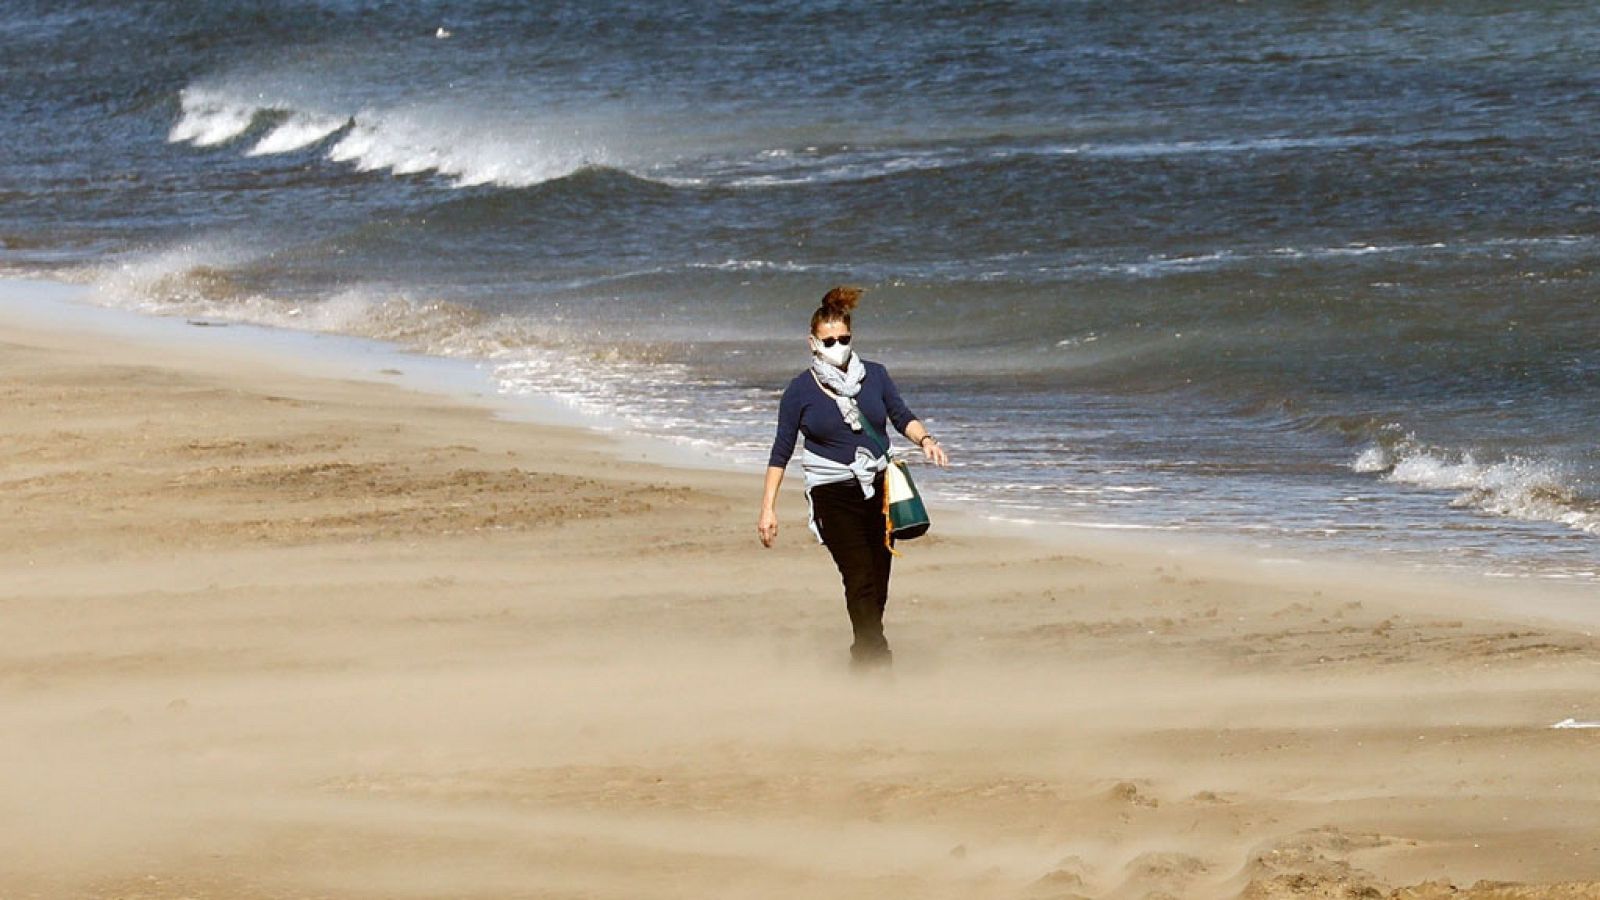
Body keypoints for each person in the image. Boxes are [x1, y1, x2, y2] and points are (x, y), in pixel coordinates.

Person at [758, 286, 949, 669]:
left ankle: (863, 654)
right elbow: (781, 452)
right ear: (813, 343)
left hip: (879, 491)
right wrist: (768, 509)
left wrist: (926, 440)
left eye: (844, 339)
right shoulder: (799, 391)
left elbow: (901, 416)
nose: (838, 347)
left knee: (878, 582)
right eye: (829, 341)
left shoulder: (875, 376)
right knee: (859, 577)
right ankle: (878, 665)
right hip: (832, 494)